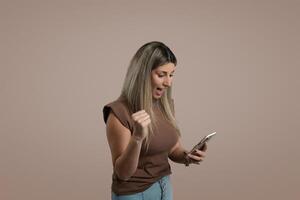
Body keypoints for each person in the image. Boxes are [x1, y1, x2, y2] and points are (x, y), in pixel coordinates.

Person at [102, 41, 207, 200]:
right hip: (133, 194)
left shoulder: (166, 105)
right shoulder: (118, 113)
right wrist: (137, 137)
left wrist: (187, 156)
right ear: (142, 74)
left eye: (171, 75)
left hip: (164, 186)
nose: (168, 83)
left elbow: (172, 148)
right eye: (161, 75)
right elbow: (123, 174)